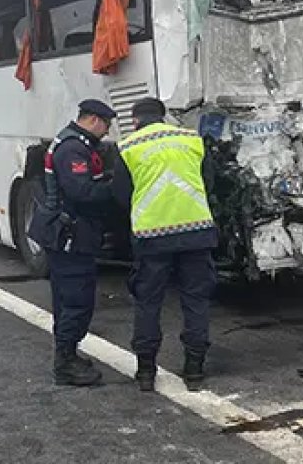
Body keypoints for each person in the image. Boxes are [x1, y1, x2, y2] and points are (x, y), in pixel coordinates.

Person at [115, 97, 219, 392]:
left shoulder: (128, 147)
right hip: (197, 232)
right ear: (163, 117)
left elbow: (121, 194)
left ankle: (146, 371)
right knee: (196, 301)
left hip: (151, 237)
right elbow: (208, 183)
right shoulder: (192, 140)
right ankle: (195, 370)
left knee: (148, 303)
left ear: (135, 120)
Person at [29, 99, 118, 386]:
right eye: (106, 124)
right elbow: (81, 191)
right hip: (70, 235)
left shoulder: (74, 143)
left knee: (68, 298)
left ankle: (68, 354)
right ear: (93, 120)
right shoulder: (72, 149)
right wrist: (114, 187)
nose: (107, 131)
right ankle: (65, 362)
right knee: (76, 300)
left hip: (69, 233)